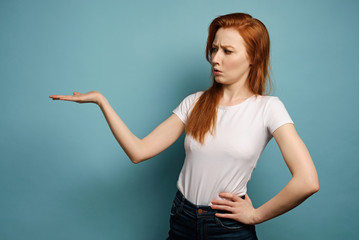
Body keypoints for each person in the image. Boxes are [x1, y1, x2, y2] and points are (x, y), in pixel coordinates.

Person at [49, 12, 319, 240]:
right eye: (214, 49)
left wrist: (256, 215)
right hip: (182, 217)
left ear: (253, 57)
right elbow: (138, 152)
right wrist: (101, 101)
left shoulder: (268, 108)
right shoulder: (195, 102)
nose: (215, 58)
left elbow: (307, 181)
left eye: (227, 51)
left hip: (227, 228)